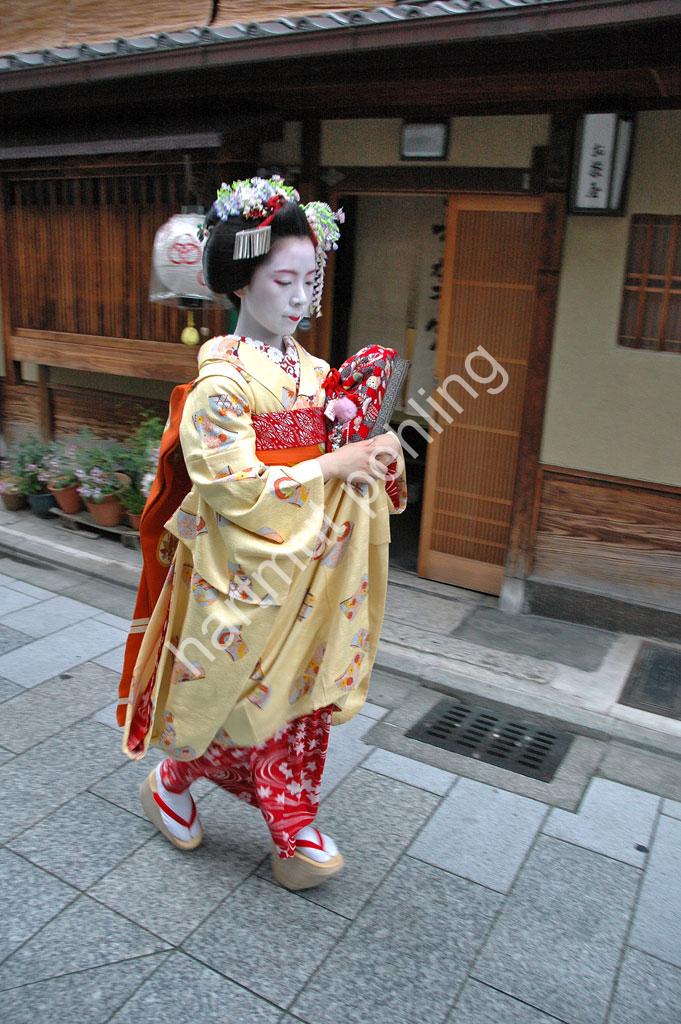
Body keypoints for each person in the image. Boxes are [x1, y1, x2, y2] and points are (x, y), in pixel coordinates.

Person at [119, 175, 406, 890]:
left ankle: (267, 817)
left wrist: (377, 456)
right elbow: (234, 486)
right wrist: (334, 460)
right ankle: (271, 819)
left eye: (311, 278)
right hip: (247, 565)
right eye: (285, 278)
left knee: (294, 696)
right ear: (241, 283)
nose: (302, 295)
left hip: (311, 570)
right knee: (239, 691)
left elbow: (342, 467)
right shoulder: (222, 384)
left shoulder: (315, 374)